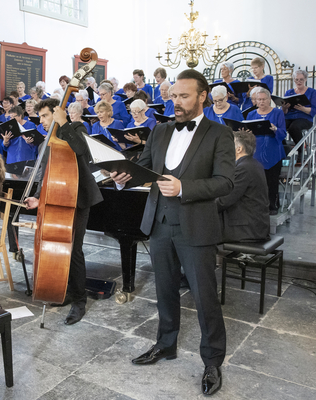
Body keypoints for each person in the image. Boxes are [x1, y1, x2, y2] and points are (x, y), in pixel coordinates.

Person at [111, 69, 235, 396]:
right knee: (164, 290)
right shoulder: (161, 130)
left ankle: (212, 361)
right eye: (174, 96)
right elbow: (146, 168)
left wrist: (184, 188)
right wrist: (126, 177)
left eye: (183, 96)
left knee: (205, 298)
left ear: (202, 96)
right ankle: (166, 344)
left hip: (197, 226)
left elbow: (225, 182)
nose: (176, 102)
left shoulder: (219, 134)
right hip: (160, 223)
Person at [23, 98, 103, 325]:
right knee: (58, 248)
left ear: (57, 113)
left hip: (77, 199)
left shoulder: (76, 128)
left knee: (73, 249)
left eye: (45, 116)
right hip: (55, 200)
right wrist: (38, 198)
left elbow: (81, 150)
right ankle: (66, 291)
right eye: (40, 118)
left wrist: (64, 123)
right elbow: (45, 177)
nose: (42, 122)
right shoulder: (44, 144)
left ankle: (80, 300)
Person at [217, 129, 270, 242]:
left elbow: (224, 200)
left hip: (246, 229)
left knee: (199, 225)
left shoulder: (243, 168)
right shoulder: (253, 164)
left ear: (239, 149)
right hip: (252, 224)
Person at [246, 88, 286, 215]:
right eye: (259, 99)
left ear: (269, 100)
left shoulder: (278, 113)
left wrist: (275, 129)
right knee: (257, 182)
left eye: (264, 99)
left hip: (273, 152)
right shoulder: (251, 115)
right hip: (256, 153)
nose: (262, 102)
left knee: (272, 181)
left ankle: (272, 205)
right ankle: (257, 205)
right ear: (256, 101)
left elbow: (283, 133)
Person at [283, 69, 316, 165]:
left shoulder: (312, 92)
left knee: (294, 128)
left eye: (301, 79)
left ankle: (301, 152)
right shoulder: (289, 92)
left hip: (305, 118)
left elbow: (314, 109)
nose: (299, 82)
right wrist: (284, 108)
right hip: (289, 117)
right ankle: (284, 148)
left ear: (306, 79)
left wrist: (302, 108)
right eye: (296, 79)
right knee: (279, 125)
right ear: (294, 80)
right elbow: (285, 112)